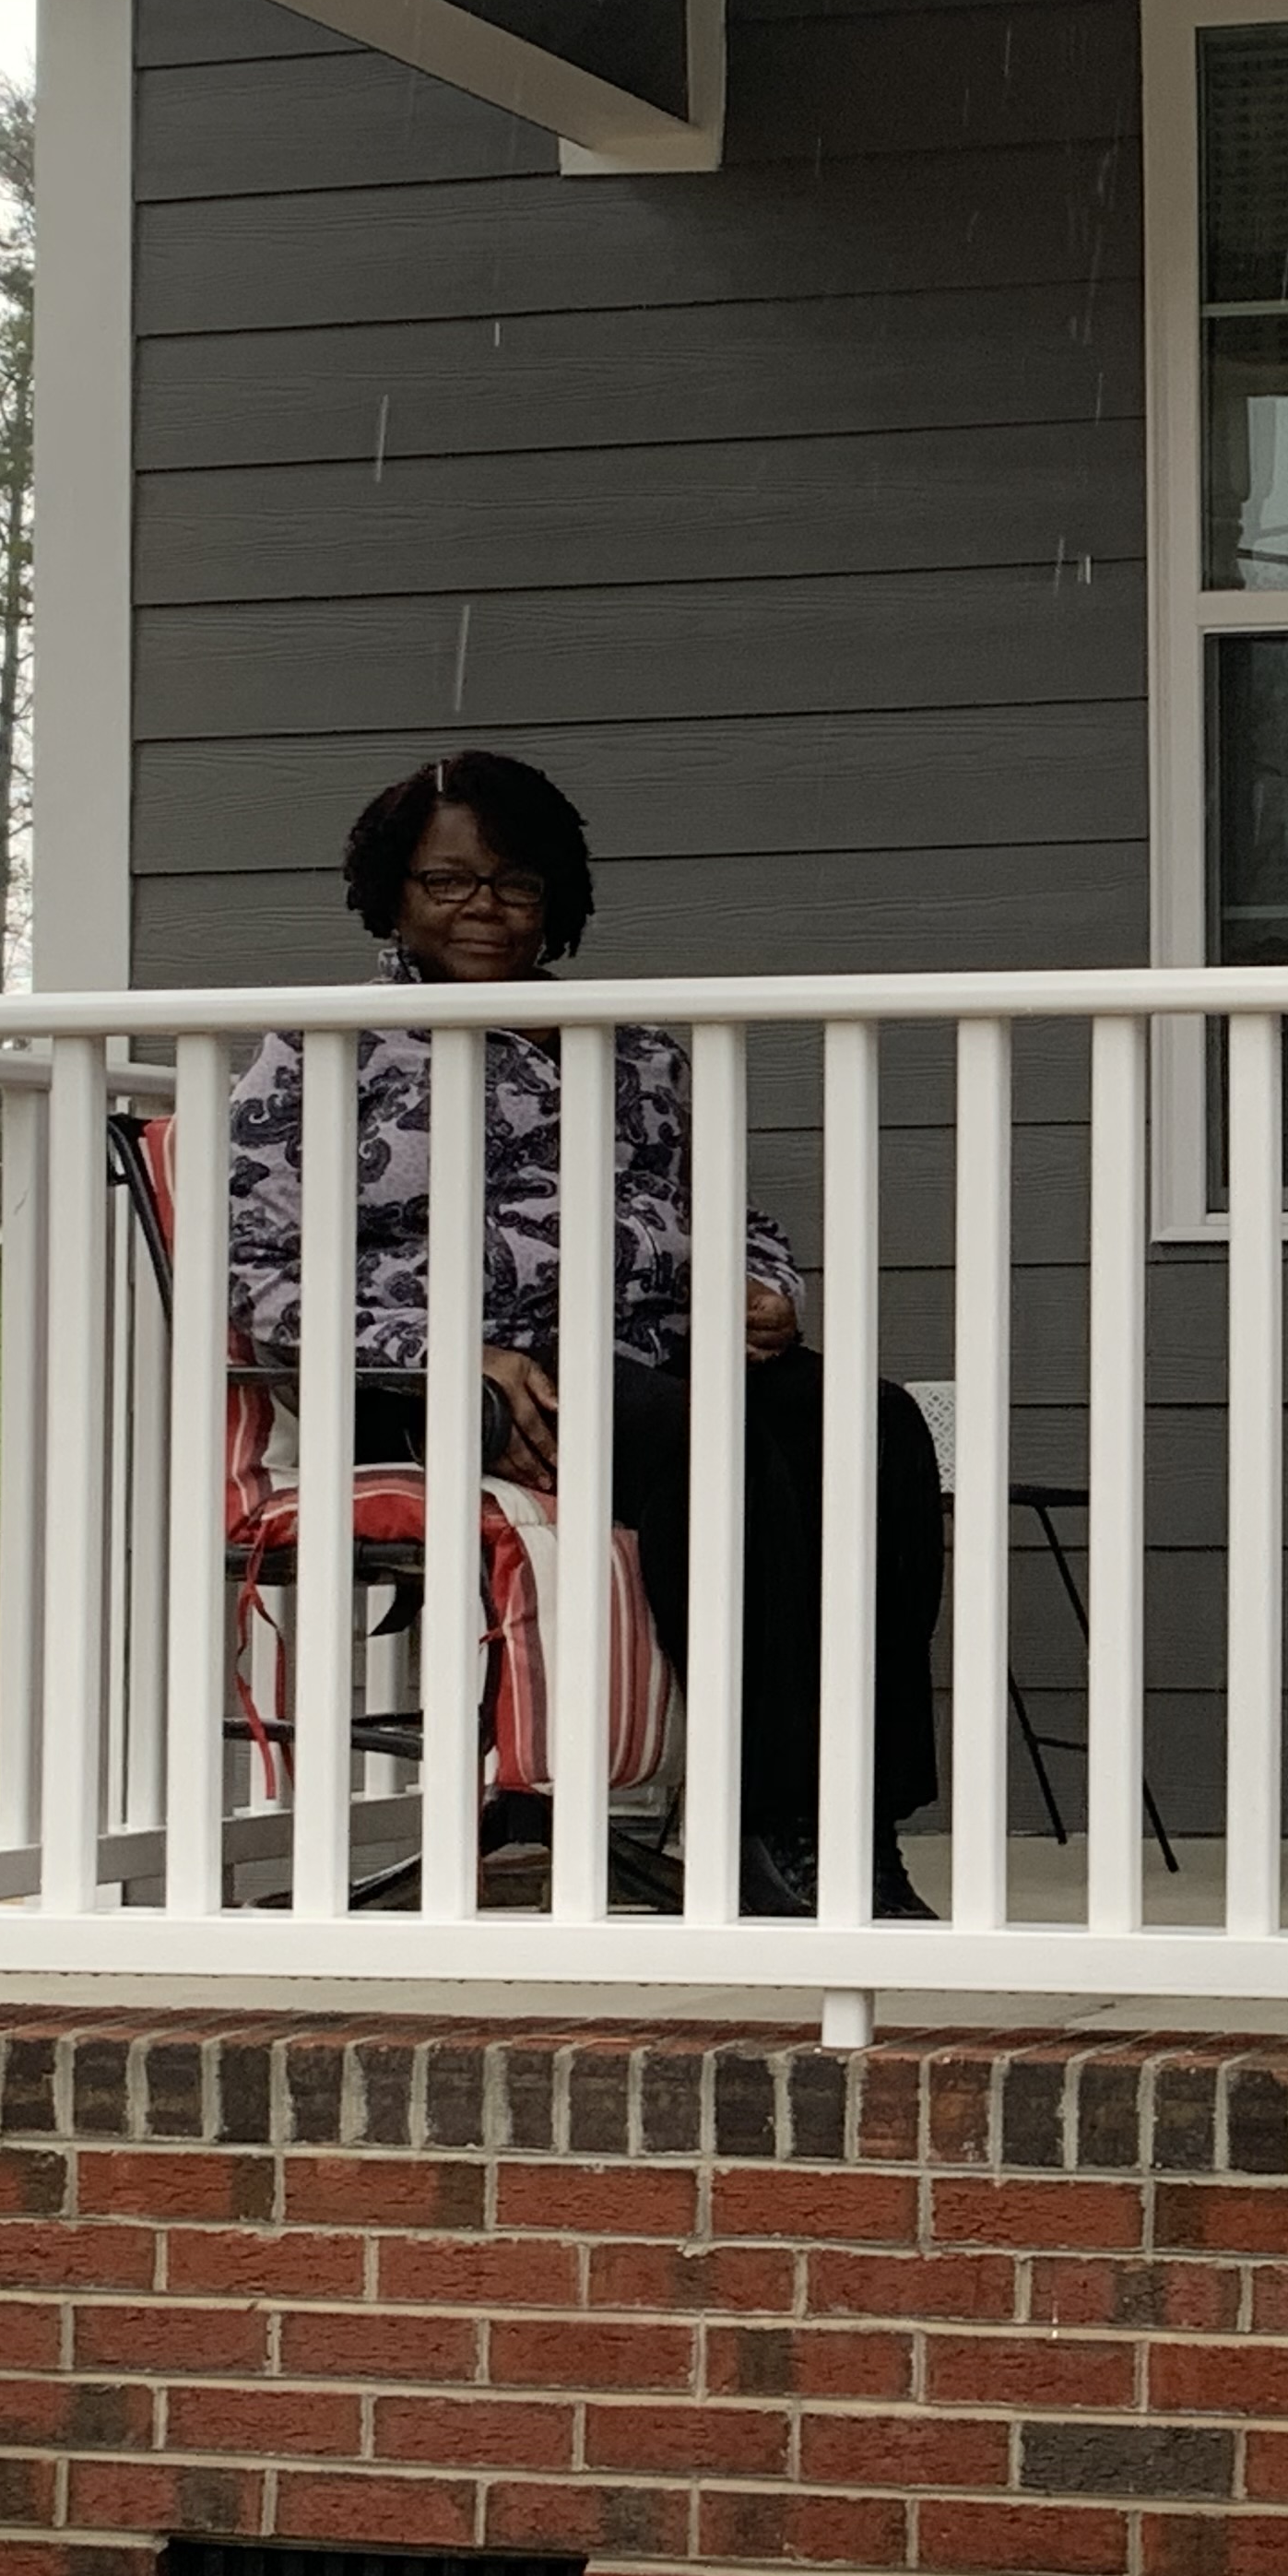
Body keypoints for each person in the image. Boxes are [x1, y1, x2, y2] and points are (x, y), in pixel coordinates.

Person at [224, 750, 946, 1919]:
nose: (483, 908)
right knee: (710, 1444)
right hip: (448, 1375)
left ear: (555, 895)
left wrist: (762, 1287)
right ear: (393, 896)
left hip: (653, 1351)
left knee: (875, 1426)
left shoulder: (633, 1051)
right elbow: (255, 1270)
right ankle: (771, 1828)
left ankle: (855, 1824)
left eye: (512, 882)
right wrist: (443, 1352)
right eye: (447, 882)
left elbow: (722, 1210)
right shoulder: (324, 1052)